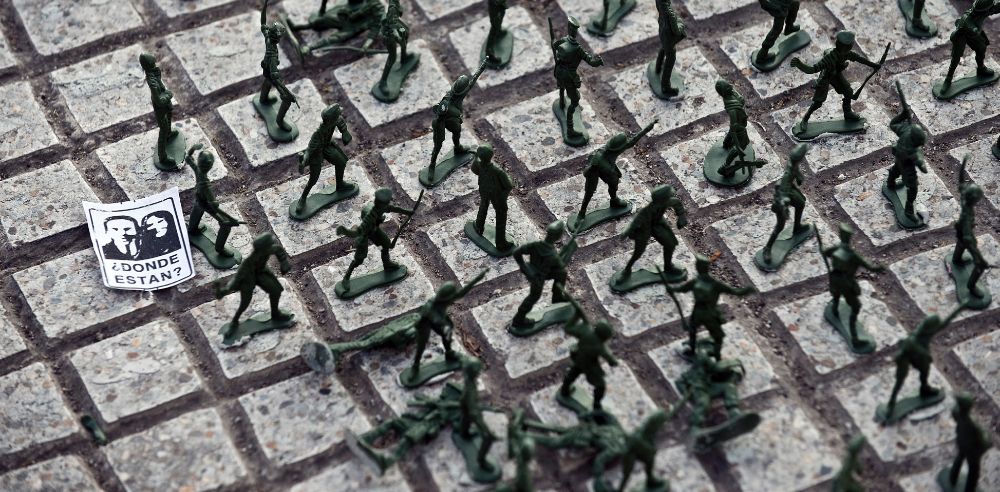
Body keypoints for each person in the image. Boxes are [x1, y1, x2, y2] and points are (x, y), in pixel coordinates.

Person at [790, 31, 880, 132]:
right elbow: (812, 69)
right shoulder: (829, 58)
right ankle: (805, 119)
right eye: (850, 46)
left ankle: (848, 112)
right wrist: (799, 64)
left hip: (836, 75)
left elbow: (860, 59)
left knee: (848, 92)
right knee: (818, 102)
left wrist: (874, 65)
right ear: (843, 47)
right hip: (826, 77)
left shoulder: (846, 54)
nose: (850, 47)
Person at [552, 16, 604, 144]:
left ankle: (562, 102)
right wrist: (598, 62)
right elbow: (591, 61)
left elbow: (555, 45)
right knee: (575, 101)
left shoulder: (564, 40)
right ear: (575, 32)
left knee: (561, 88)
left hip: (559, 71)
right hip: (569, 76)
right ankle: (570, 128)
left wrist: (554, 44)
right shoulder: (578, 48)